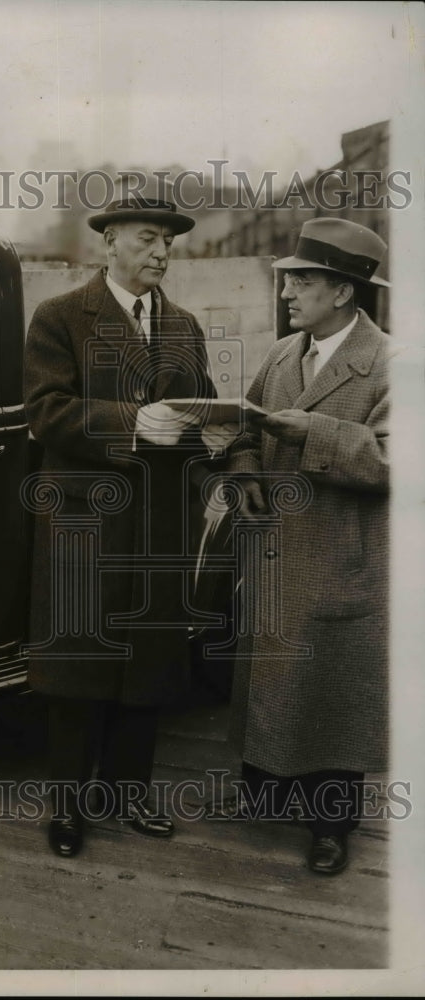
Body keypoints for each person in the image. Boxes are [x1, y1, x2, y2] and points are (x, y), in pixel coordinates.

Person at [24, 195, 228, 857]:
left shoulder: (184, 326)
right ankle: (66, 808)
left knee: (150, 663)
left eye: (168, 242)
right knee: (77, 669)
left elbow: (201, 409)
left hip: (161, 525)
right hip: (85, 524)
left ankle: (127, 794)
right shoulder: (60, 317)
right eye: (146, 239)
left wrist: (216, 442)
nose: (161, 252)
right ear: (109, 241)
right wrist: (133, 423)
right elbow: (45, 411)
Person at [217, 217, 390, 875]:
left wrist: (311, 432)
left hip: (341, 559)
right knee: (278, 679)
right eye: (287, 281)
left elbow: (396, 462)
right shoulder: (283, 353)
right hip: (275, 554)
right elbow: (242, 431)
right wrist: (242, 474)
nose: (286, 292)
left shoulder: (391, 362)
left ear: (342, 292)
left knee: (334, 690)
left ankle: (331, 827)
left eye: (302, 281)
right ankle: (270, 792)